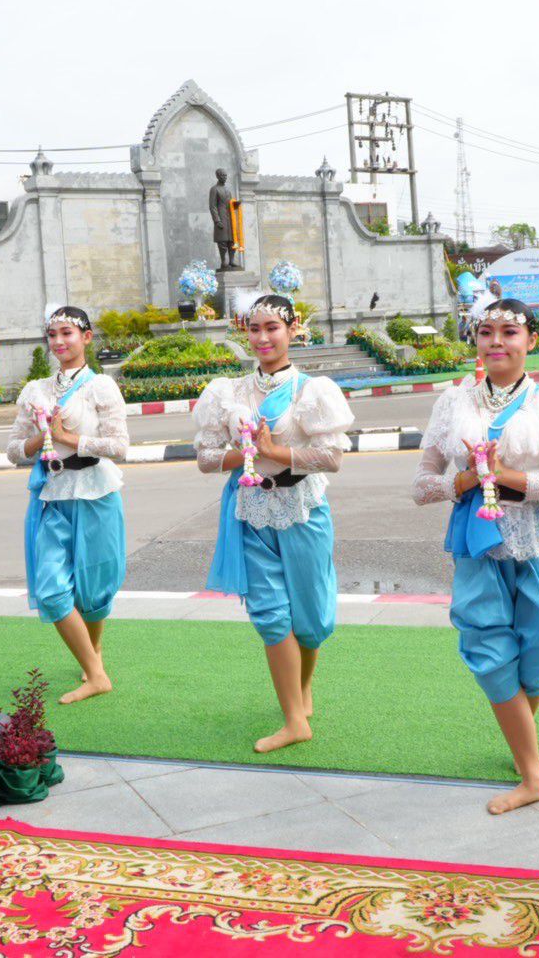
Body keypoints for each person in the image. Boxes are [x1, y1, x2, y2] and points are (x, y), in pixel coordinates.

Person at [412, 298, 539, 815]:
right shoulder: (452, 403)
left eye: (509, 332)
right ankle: (534, 775)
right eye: (485, 331)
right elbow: (422, 486)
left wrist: (509, 477)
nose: (496, 341)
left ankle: (521, 745)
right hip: (476, 540)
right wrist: (467, 478)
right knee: (490, 648)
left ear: (531, 340)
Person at [194, 294, 354, 754]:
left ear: (293, 328)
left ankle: (302, 690)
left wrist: (275, 452)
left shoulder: (313, 390)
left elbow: (332, 458)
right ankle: (292, 719)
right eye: (254, 328)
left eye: (273, 328)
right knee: (270, 615)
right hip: (251, 512)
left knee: (309, 615)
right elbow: (205, 459)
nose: (263, 338)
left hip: (303, 510)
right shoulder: (227, 391)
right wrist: (244, 454)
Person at [6, 306, 129, 705]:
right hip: (51, 495)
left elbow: (119, 447)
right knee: (53, 591)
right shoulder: (35, 390)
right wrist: (40, 438)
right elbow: (12, 450)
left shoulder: (101, 388)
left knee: (93, 593)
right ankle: (96, 674)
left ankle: (93, 660)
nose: (59, 342)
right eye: (53, 335)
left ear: (87, 338)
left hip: (95, 492)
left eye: (67, 334)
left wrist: (69, 439)